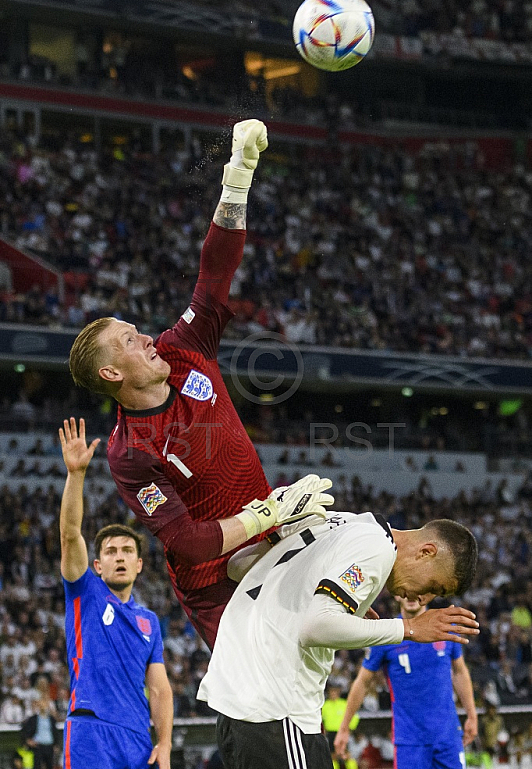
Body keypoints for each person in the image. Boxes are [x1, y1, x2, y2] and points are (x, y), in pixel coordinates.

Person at [68, 119, 332, 648]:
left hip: (270, 541)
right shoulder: (128, 453)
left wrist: (237, 178)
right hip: (215, 586)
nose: (144, 336)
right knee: (255, 703)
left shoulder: (182, 349)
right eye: (128, 340)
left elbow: (214, 272)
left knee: (308, 677)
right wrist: (267, 511)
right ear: (112, 374)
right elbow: (187, 543)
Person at [198, 510, 480, 769]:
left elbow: (237, 566)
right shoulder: (376, 548)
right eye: (434, 586)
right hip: (277, 710)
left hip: (239, 706)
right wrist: (407, 629)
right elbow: (316, 627)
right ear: (426, 552)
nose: (423, 598)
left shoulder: (344, 521)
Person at [59, 417, 173, 769]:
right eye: (110, 552)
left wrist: (165, 743)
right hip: (90, 728)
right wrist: (76, 475)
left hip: (138, 738)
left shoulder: (149, 621)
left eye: (127, 551)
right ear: (97, 565)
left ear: (139, 565)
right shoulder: (85, 592)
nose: (119, 557)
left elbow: (159, 689)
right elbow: (69, 534)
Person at [334, 596, 478, 769]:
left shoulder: (445, 626)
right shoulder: (387, 633)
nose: (411, 595)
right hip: (409, 741)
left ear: (429, 593)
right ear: (396, 594)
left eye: (418, 589)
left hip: (448, 736)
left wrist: (472, 714)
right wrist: (344, 728)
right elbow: (362, 682)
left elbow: (460, 671)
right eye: (406, 589)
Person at [20, 697, 60, 769]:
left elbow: (55, 732)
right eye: (41, 704)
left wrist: (56, 744)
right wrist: (28, 740)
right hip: (38, 746)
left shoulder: (51, 719)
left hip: (49, 746)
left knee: (50, 765)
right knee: (37, 766)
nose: (43, 706)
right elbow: (24, 729)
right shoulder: (33, 719)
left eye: (45, 704)